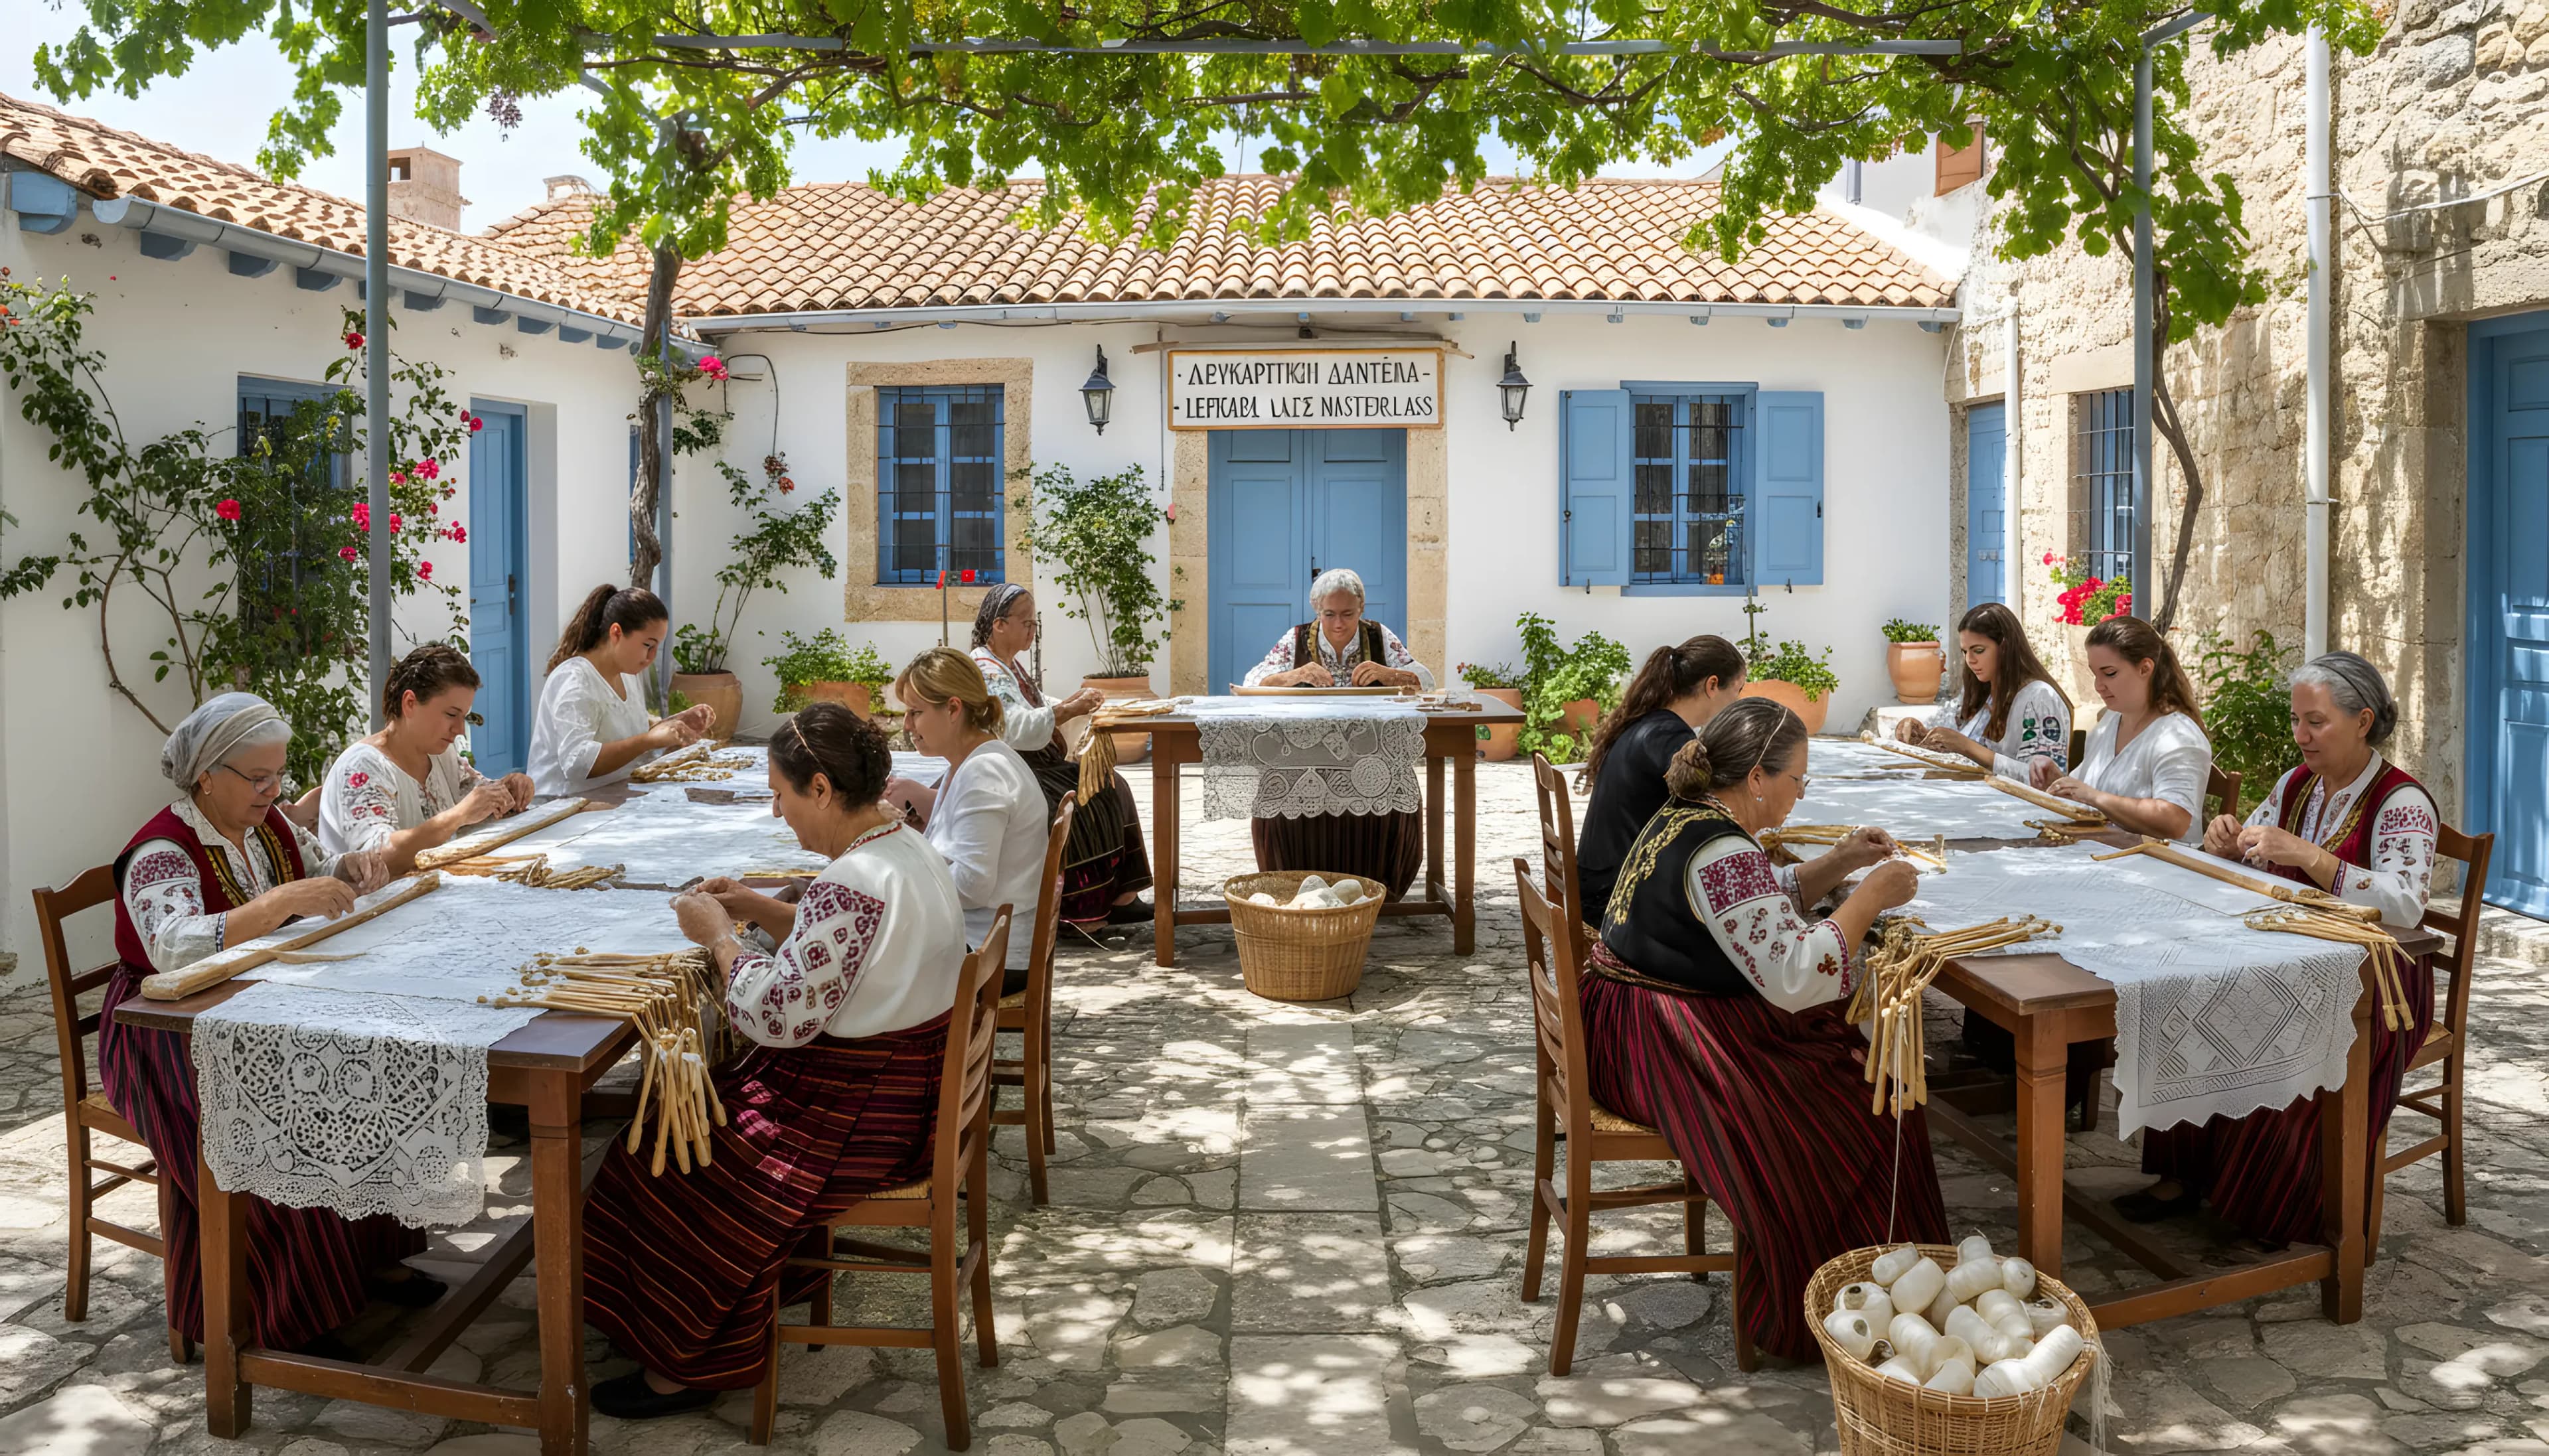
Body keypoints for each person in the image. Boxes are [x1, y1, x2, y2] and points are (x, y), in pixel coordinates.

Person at [583, 703, 970, 1418]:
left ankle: (685, 1363)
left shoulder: (855, 882)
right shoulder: (902, 846)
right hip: (902, 1085)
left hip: (858, 1109)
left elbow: (774, 1016)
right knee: (673, 1122)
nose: (777, 809)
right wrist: (761, 907)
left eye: (782, 794)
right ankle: (689, 1316)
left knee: (665, 1156)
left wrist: (722, 936)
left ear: (820, 789)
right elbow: (852, 945)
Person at [1581, 697, 1945, 1360]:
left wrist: (1837, 864)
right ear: (1756, 778)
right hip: (1655, 1039)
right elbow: (1792, 973)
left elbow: (1748, 905)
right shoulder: (1719, 847)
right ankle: (1844, 1288)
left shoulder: (1692, 814)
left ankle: (1863, 1271)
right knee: (1867, 1091)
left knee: (1841, 1044)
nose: (1800, 792)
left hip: (1623, 1015)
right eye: (1797, 779)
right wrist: (1871, 897)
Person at [100, 693, 427, 1358]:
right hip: (164, 1027)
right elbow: (169, 943)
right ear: (206, 777)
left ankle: (369, 1256)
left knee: (368, 1073)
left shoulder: (269, 824)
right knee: (274, 1121)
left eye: (277, 774)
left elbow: (316, 867)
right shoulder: (161, 849)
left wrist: (348, 868)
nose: (272, 789)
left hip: (257, 1003)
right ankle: (297, 1309)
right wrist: (278, 903)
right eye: (257, 777)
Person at [2127, 651, 2441, 1232]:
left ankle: (2268, 1208)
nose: (2301, 735)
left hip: (2378, 987)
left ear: (2363, 721)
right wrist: (2228, 842)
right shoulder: (2299, 783)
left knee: (2272, 1038)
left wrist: (2308, 856)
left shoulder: (2401, 802)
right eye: (2297, 720)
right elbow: (2257, 852)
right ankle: (2188, 1176)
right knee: (2189, 1002)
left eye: (2315, 722)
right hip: (2290, 956)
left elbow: (2404, 904)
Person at [1239, 567, 1432, 897]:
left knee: (1394, 779)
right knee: (1280, 787)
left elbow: (1425, 681)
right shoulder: (1298, 638)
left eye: (1348, 614)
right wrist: (1294, 675)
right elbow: (1252, 681)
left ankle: (1374, 886)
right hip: (1307, 752)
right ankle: (1299, 882)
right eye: (1329, 615)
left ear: (1361, 610)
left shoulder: (1379, 636)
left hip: (1371, 751)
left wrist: (1389, 673)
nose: (1339, 624)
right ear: (1318, 610)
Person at [967, 584, 1152, 924]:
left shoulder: (1007, 665)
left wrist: (1069, 703)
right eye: (1026, 623)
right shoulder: (988, 670)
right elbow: (1015, 727)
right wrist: (1067, 710)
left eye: (1034, 624)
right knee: (1089, 797)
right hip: (1019, 770)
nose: (1032, 631)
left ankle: (1124, 896)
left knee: (1112, 783)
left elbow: (1036, 704)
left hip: (1036, 765)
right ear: (999, 625)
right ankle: (1082, 912)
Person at [892, 648, 1049, 995]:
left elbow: (971, 883)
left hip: (990, 958)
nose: (907, 725)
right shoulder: (973, 761)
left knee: (855, 962)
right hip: (984, 945)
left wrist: (896, 882)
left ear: (952, 708)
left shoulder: (983, 772)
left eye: (915, 713)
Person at [1571, 634, 1747, 926]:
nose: (1737, 701)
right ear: (1713, 685)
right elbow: (1713, 809)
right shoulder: (1669, 739)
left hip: (1600, 885)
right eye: (1738, 691)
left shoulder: (1652, 724)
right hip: (1614, 904)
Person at [319, 644, 534, 869]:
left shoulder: (440, 755)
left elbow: (473, 794)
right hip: (376, 904)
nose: (460, 729)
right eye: (451, 714)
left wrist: (507, 791)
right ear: (410, 703)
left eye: (464, 717)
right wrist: (460, 815)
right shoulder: (362, 768)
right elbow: (378, 857)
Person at [2031, 615, 2212, 843]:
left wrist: (2095, 797)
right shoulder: (2110, 722)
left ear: (2145, 668)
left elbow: (2174, 821)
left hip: (2162, 867)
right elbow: (2086, 791)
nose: (2098, 686)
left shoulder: (2179, 738)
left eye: (2110, 674)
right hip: (2105, 853)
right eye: (2095, 674)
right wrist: (2057, 781)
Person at [526, 584, 715, 797]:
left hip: (613, 798)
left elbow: (624, 728)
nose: (651, 658)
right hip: (560, 807)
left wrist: (672, 726)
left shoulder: (628, 673)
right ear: (616, 633)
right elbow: (577, 763)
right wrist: (650, 740)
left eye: (656, 648)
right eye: (647, 645)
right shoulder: (575, 680)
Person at [1894, 603, 2073, 780]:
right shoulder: (1980, 692)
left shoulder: (2040, 698)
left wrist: (1968, 748)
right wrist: (1915, 729)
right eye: (1964, 652)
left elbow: (2044, 780)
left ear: (2005, 647)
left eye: (1978, 651)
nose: (1970, 660)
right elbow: (1944, 732)